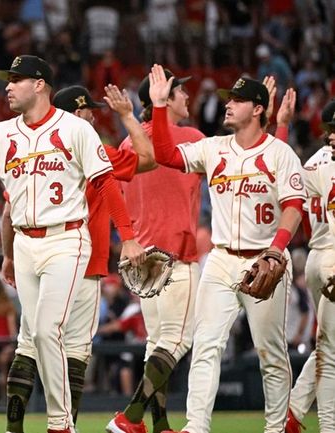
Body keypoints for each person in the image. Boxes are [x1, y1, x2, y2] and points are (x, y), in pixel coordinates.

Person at [0, 55, 146, 433]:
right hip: (24, 243)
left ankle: (60, 424)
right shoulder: (1, 133)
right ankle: (50, 424)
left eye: (17, 79)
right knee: (35, 334)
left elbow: (105, 182)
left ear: (40, 84)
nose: (7, 85)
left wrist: (130, 239)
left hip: (66, 238)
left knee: (44, 330)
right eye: (8, 78)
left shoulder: (75, 129)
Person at [146, 64, 304, 433]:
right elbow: (167, 155)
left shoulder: (280, 154)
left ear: (259, 109)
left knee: (271, 353)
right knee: (206, 345)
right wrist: (157, 107)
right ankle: (196, 426)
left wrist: (276, 250)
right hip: (220, 258)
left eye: (238, 100)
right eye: (228, 99)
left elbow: (294, 208)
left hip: (265, 259)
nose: (228, 105)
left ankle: (276, 427)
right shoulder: (213, 147)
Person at [1, 84, 158, 433]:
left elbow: (9, 211)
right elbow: (148, 158)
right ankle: (64, 425)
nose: (91, 116)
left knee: (28, 346)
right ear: (73, 113)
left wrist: (9, 256)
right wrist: (128, 116)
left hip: (35, 258)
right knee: (73, 352)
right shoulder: (94, 149)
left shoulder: (29, 152)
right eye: (86, 110)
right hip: (81, 261)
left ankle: (14, 428)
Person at [107, 68, 205, 433]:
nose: (188, 98)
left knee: (157, 343)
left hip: (142, 258)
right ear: (165, 97)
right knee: (179, 340)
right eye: (182, 92)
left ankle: (160, 425)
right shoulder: (190, 139)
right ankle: (130, 416)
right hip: (176, 255)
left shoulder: (130, 143)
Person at [289, 99, 335, 433]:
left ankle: (292, 410)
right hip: (333, 255)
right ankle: (329, 426)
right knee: (331, 352)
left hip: (316, 254)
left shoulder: (311, 162)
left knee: (328, 343)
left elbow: (305, 221)